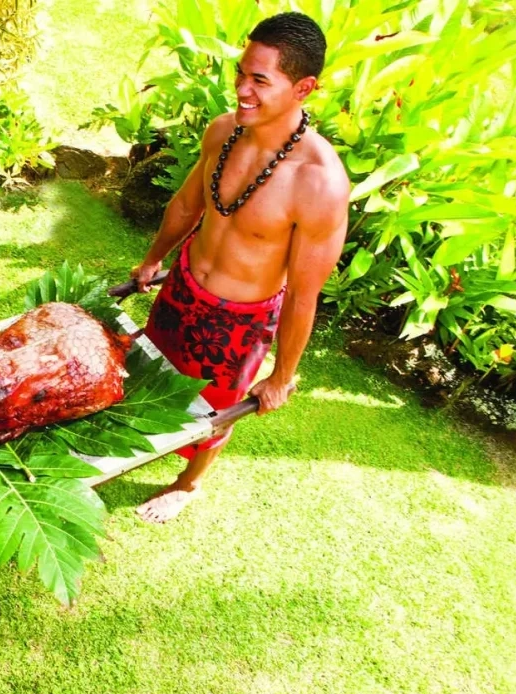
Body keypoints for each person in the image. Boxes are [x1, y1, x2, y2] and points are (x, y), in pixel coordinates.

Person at [133, 12, 349, 523]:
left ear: (304, 88)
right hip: (183, 284)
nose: (241, 90)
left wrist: (282, 376)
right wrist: (153, 260)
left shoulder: (318, 183)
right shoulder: (223, 131)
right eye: (240, 73)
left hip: (237, 321)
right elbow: (187, 206)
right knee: (143, 373)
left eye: (259, 80)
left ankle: (188, 484)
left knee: (208, 415)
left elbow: (302, 294)